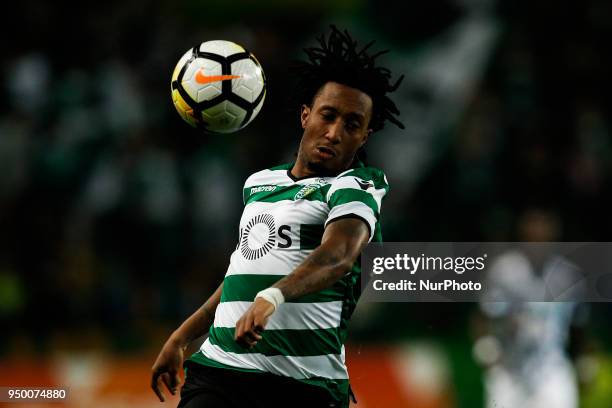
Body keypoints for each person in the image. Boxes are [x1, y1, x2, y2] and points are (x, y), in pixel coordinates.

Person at [151, 26, 404, 408]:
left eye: (351, 125)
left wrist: (273, 297)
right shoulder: (259, 184)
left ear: (364, 137)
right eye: (328, 115)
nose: (334, 132)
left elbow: (339, 254)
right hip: (221, 371)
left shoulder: (358, 185)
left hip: (303, 385)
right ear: (306, 116)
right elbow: (239, 277)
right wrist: (182, 336)